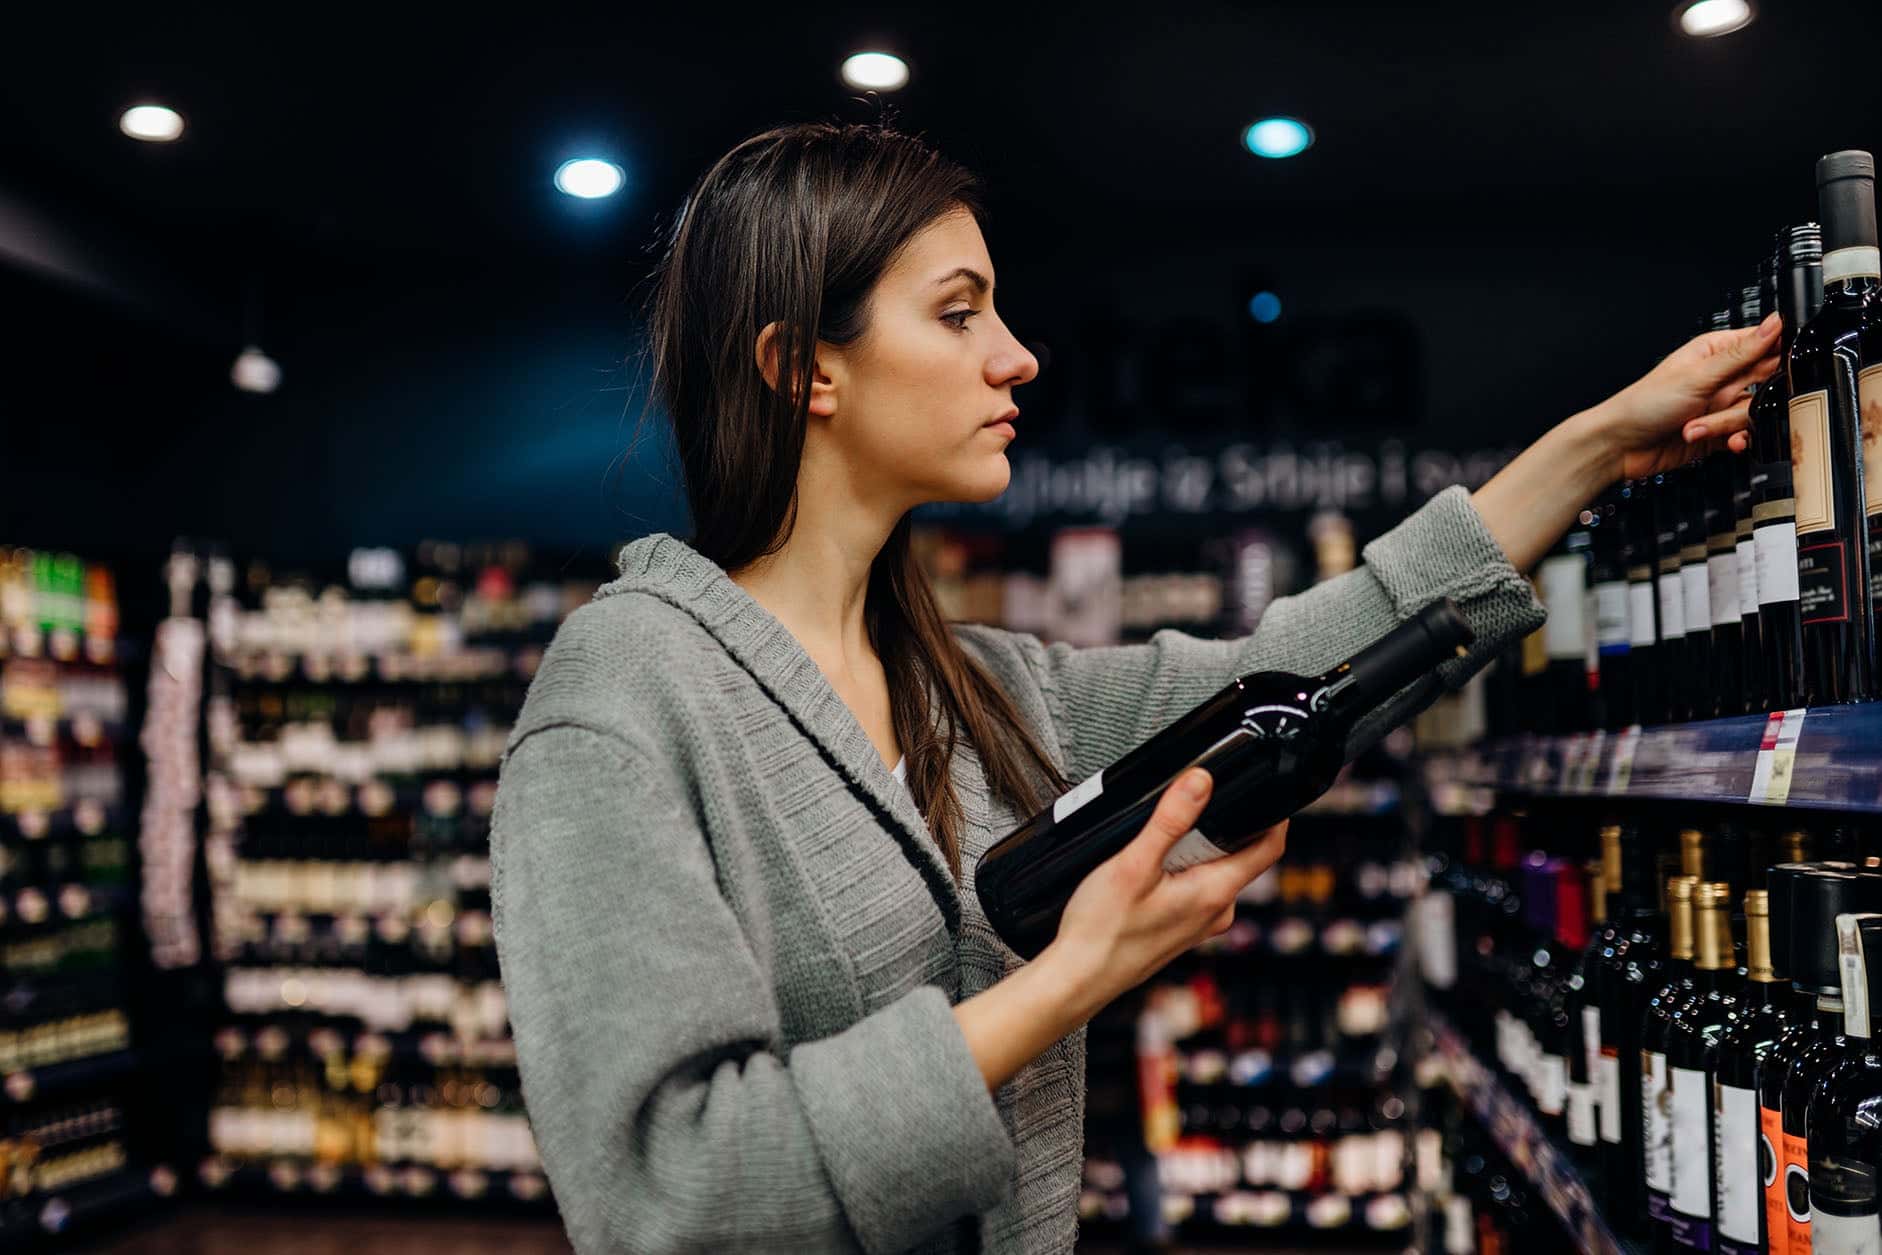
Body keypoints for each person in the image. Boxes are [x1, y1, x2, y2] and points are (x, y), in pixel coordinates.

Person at [487, 120, 1778, 1255]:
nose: (1017, 357)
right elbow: (671, 1194)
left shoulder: (979, 691)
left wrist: (1594, 448)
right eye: (956, 312)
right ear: (800, 366)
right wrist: (1065, 984)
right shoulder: (625, 698)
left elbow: (1306, 669)